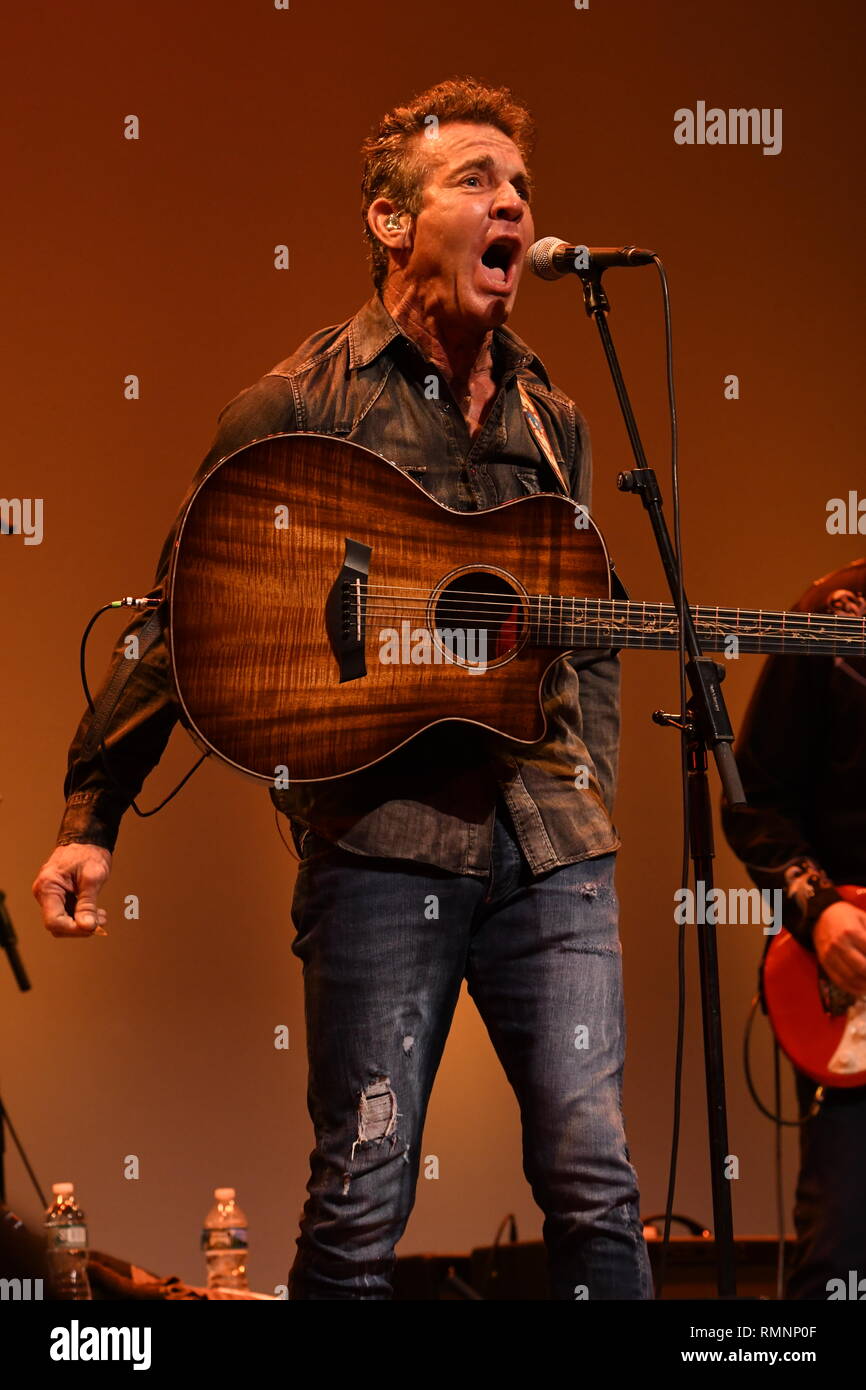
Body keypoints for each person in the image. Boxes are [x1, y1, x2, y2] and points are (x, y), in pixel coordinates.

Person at [32, 77, 652, 1300]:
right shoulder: (296, 404)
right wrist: (91, 814)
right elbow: (182, 618)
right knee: (363, 1190)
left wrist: (588, 790)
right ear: (388, 220)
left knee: (596, 1183)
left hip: (550, 849)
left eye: (520, 185)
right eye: (476, 180)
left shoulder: (552, 418)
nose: (512, 202)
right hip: (381, 847)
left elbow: (590, 626)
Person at [721, 559, 866, 1300]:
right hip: (853, 999)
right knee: (842, 1262)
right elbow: (755, 798)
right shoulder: (833, 612)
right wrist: (821, 908)